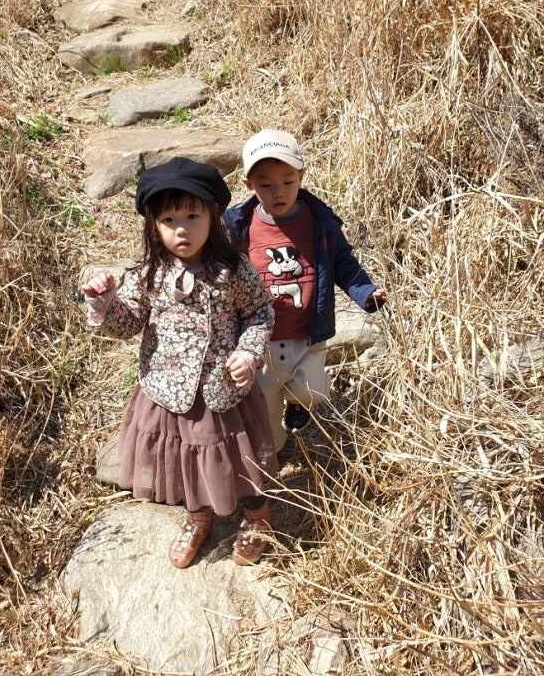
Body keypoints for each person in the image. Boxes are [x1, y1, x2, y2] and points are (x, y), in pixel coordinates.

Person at [82, 157, 278, 569]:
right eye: (168, 220)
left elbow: (259, 313)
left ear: (213, 215)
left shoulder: (232, 269)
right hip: (167, 391)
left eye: (192, 216)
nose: (182, 229)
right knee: (184, 459)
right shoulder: (148, 273)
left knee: (239, 457)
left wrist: (248, 353)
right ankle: (198, 516)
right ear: (153, 225)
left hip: (223, 388)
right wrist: (105, 303)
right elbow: (128, 323)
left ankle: (257, 516)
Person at [223, 130, 387, 452]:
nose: (279, 192)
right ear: (249, 185)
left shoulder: (319, 221)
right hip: (261, 336)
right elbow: (221, 268)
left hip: (308, 332)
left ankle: (300, 402)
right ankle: (274, 448)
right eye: (266, 185)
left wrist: (364, 291)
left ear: (301, 175)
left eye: (287, 181)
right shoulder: (238, 226)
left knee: (311, 389)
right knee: (265, 399)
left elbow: (342, 260)